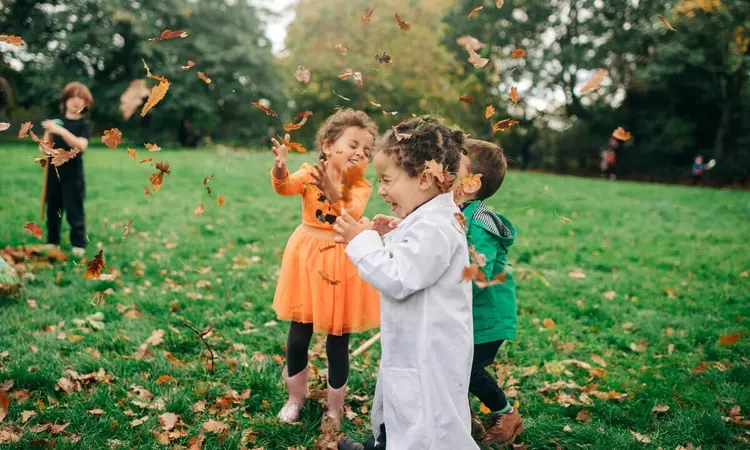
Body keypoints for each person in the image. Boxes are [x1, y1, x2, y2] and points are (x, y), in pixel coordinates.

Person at [334, 116, 478, 450]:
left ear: (425, 178)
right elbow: (416, 260)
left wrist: (362, 241)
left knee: (425, 420)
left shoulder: (435, 228)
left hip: (429, 354)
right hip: (415, 343)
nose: (381, 189)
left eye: (386, 180)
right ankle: (385, 442)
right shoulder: (430, 219)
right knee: (403, 405)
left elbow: (398, 277)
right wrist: (399, 229)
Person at [270, 108, 381, 429]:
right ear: (329, 146)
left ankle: (334, 407)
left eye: (366, 151)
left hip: (340, 262)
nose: (360, 153)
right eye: (353, 144)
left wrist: (332, 189)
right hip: (306, 257)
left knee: (337, 341)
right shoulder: (309, 173)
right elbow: (285, 187)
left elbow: (351, 210)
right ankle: (295, 397)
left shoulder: (360, 185)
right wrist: (280, 168)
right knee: (297, 336)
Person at [455, 139, 522, 446]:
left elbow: (478, 273)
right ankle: (462, 418)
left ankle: (507, 414)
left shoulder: (479, 223)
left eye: (453, 166)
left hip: (487, 317)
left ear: (471, 183)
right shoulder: (456, 210)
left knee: (466, 369)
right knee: (451, 365)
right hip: (468, 314)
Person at [42, 82, 93, 257]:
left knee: (74, 209)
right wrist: (49, 133)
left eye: (81, 98)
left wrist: (60, 131)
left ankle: (78, 244)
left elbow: (81, 145)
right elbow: (44, 148)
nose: (76, 102)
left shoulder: (83, 125)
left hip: (74, 175)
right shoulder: (55, 123)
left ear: (86, 103)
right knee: (53, 208)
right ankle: (52, 242)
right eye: (72, 97)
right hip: (54, 173)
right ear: (64, 101)